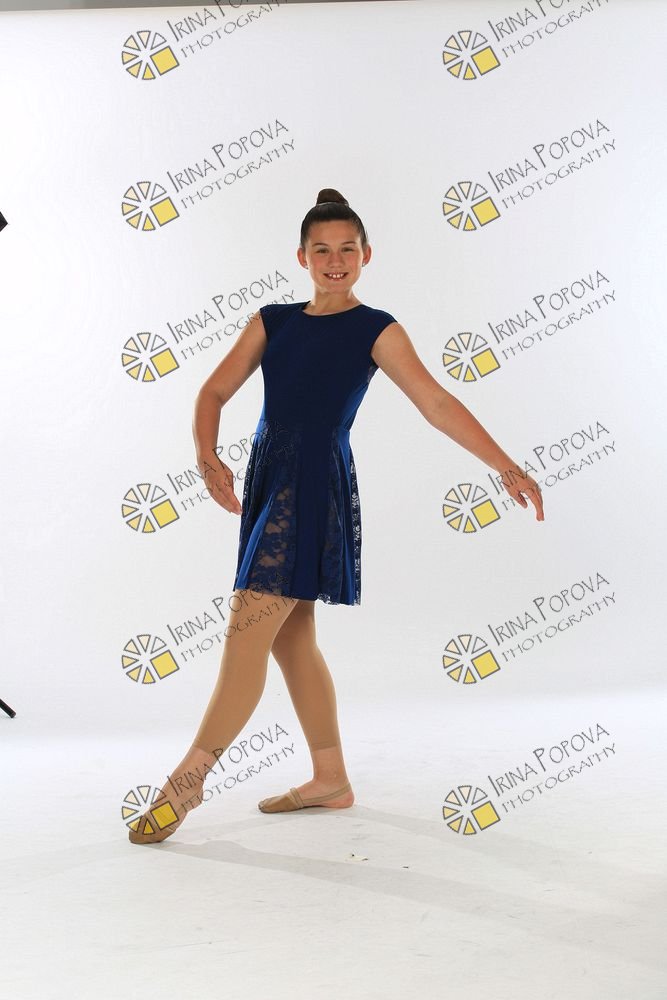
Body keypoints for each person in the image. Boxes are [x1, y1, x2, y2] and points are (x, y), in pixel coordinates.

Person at [128, 188, 544, 845]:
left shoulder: (375, 329)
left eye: (346, 249)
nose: (334, 260)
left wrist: (506, 466)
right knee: (290, 639)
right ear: (302, 257)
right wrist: (206, 455)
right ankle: (330, 779)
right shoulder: (272, 321)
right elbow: (213, 390)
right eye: (321, 250)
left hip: (311, 487)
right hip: (269, 483)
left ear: (365, 255)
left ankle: (188, 780)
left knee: (247, 631)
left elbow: (435, 403)